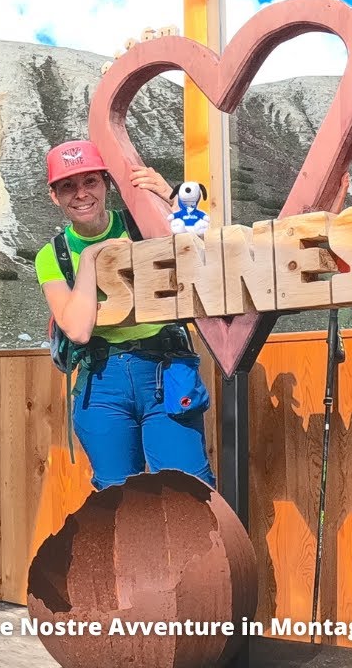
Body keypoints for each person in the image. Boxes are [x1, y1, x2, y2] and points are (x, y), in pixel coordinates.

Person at [33, 139, 216, 491]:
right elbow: (77, 330)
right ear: (54, 196)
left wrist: (171, 197)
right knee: (116, 499)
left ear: (106, 184)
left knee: (191, 491)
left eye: (90, 182)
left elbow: (204, 252)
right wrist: (91, 259)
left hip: (165, 370)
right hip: (102, 380)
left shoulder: (142, 221)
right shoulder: (51, 255)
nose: (81, 193)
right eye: (68, 186)